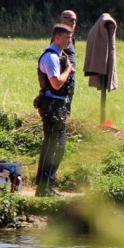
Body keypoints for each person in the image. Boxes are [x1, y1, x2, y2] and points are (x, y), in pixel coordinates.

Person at [34, 24, 75, 196]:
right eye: (67, 38)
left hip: (59, 106)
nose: (69, 41)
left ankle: (49, 185)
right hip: (52, 105)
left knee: (59, 147)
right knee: (51, 146)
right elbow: (56, 82)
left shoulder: (59, 55)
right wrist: (68, 69)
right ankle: (43, 187)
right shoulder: (50, 57)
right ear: (57, 37)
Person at [58, 10, 78, 113]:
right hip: (63, 78)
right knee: (62, 108)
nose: (73, 22)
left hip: (69, 78)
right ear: (62, 20)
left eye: (75, 20)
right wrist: (69, 67)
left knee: (67, 107)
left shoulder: (70, 37)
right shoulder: (60, 36)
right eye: (71, 20)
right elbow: (57, 54)